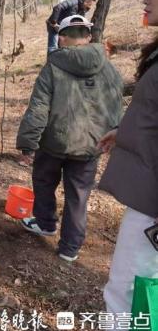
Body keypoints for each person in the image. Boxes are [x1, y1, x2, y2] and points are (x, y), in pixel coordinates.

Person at [16, 15, 123, 262]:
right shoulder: (109, 68)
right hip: (90, 147)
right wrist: (113, 133)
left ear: (62, 38)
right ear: (87, 37)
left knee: (43, 182)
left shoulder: (53, 66)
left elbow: (39, 108)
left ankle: (45, 223)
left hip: (53, 143)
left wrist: (27, 142)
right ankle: (69, 249)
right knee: (78, 197)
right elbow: (116, 105)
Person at [99, 0, 158, 331]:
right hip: (147, 191)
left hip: (152, 205)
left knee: (127, 291)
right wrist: (125, 133)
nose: (145, 0)